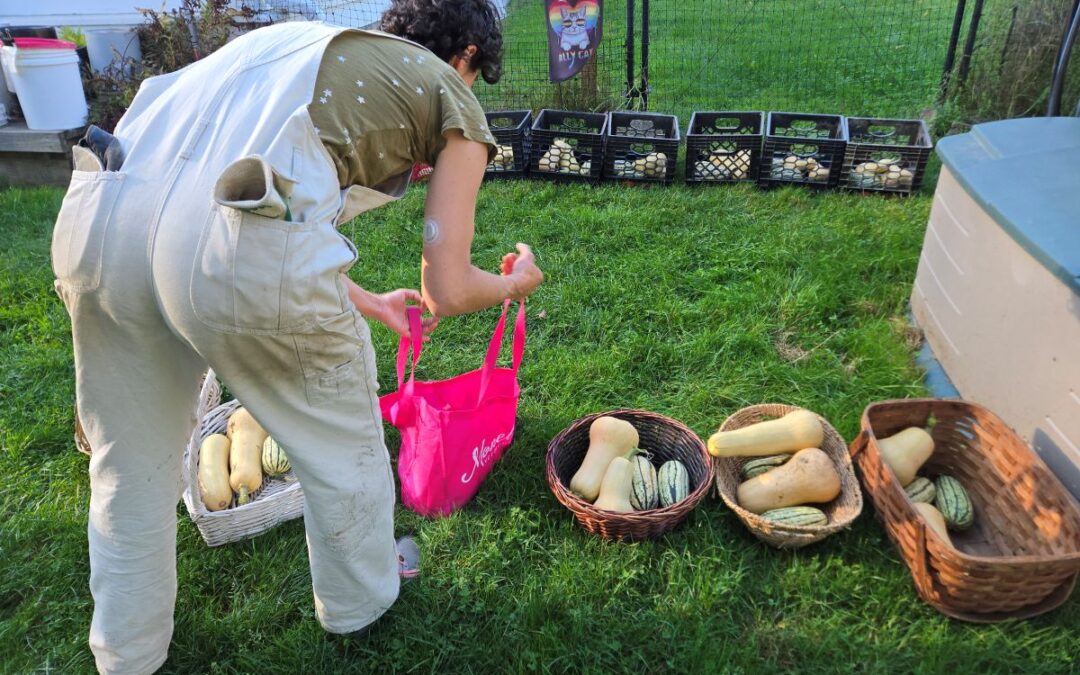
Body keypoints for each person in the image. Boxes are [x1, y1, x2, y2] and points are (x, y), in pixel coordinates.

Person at [50, 0, 543, 671]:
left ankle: (126, 650)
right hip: (223, 250)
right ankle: (361, 606)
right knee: (345, 444)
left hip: (99, 221)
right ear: (468, 59)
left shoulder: (289, 49)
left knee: (127, 461)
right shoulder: (447, 89)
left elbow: (229, 197)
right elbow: (448, 289)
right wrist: (516, 284)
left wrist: (364, 298)